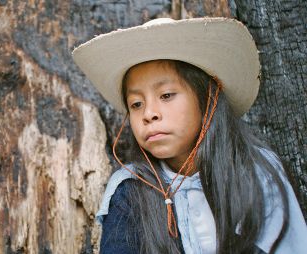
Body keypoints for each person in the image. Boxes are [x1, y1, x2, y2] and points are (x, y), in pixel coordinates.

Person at [71, 18, 307, 253]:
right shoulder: (129, 191)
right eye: (136, 103)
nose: (149, 114)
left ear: (208, 99)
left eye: (166, 95)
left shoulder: (257, 172)